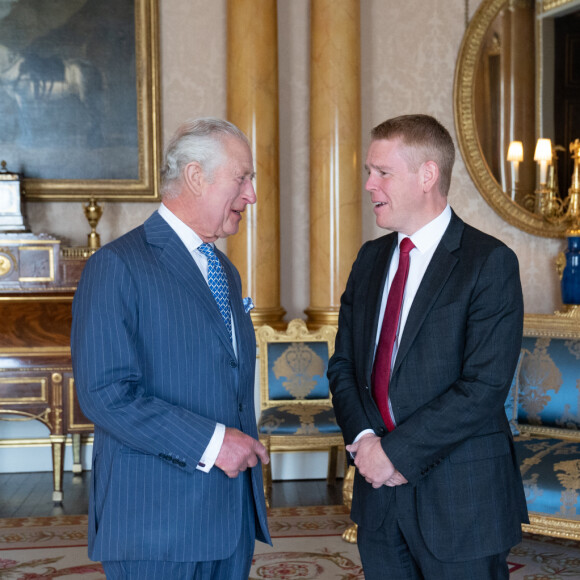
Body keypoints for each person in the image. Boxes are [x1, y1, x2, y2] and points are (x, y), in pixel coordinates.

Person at [327, 114, 528, 579]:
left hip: (460, 499)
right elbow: (343, 366)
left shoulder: (489, 262)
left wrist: (394, 454)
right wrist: (364, 444)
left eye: (382, 172)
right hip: (379, 498)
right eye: (368, 172)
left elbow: (484, 387)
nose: (369, 184)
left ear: (427, 175)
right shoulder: (370, 259)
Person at [71, 117, 271, 579]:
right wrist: (215, 443)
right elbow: (105, 395)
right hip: (157, 524)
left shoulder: (224, 269)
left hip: (229, 519)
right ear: (197, 177)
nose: (251, 195)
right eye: (242, 178)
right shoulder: (116, 266)